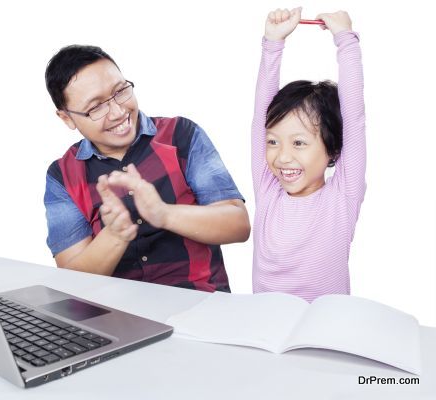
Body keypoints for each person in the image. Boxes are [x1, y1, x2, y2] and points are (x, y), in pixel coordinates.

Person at [44, 45, 250, 292]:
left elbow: (238, 225)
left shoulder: (181, 136)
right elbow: (71, 283)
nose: (118, 112)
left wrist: (164, 214)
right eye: (96, 107)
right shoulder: (62, 175)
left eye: (120, 91)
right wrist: (115, 236)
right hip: (118, 318)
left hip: (200, 305)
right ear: (67, 118)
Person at [251, 8, 366, 302]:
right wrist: (273, 42)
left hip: (324, 331)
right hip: (267, 327)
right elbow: (260, 117)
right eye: (273, 142)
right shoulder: (268, 188)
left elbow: (353, 119)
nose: (282, 157)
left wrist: (346, 41)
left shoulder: (342, 196)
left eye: (299, 143)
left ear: (334, 150)